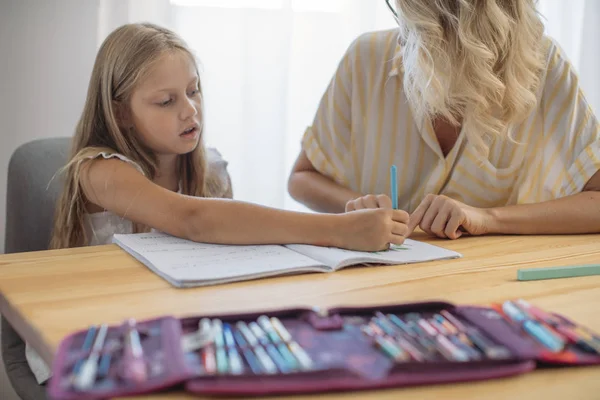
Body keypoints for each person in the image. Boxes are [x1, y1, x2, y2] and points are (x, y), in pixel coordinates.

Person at [22, 22, 409, 386]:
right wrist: (340, 230)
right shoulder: (99, 171)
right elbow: (193, 219)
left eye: (193, 90)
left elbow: (226, 256)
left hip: (176, 323)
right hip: (98, 335)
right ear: (121, 112)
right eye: (166, 101)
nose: (190, 110)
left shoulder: (213, 172)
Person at [288, 0, 600, 240]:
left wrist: (488, 218)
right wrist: (357, 206)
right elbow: (302, 178)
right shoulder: (366, 59)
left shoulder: (544, 67)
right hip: (382, 281)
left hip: (500, 281)